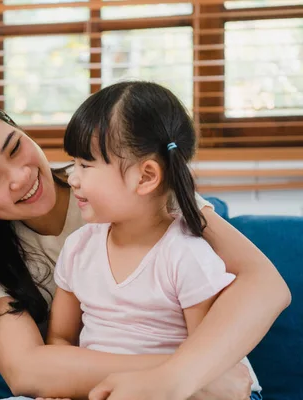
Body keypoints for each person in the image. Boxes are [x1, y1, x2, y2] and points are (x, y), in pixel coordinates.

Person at [0, 94, 290, 400]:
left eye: (14, 147)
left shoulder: (129, 188)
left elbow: (265, 285)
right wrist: (190, 376)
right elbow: (27, 370)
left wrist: (180, 378)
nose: (21, 176)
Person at [45, 81, 262, 400]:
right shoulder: (78, 247)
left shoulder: (185, 255)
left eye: (86, 165)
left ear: (145, 177)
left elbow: (207, 363)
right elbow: (60, 339)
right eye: (74, 164)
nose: (73, 178)